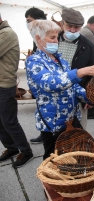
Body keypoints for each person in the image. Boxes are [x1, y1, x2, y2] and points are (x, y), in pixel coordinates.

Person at [26, 20, 94, 159]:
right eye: (52, 37)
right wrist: (80, 72)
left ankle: (75, 179)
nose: (56, 41)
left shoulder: (60, 60)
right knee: (53, 158)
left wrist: (90, 96)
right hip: (52, 122)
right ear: (38, 38)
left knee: (77, 152)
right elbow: (50, 83)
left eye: (57, 37)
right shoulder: (34, 61)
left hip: (71, 118)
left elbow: (72, 86)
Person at [0, 13, 33, 168]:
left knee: (9, 121)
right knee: (1, 121)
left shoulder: (7, 33)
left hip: (5, 85)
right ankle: (11, 148)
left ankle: (26, 151)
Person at [58, 8, 94, 129]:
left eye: (76, 28)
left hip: (78, 95)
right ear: (62, 23)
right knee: (56, 131)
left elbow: (93, 74)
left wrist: (90, 99)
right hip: (56, 94)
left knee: (78, 132)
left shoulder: (88, 46)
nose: (72, 30)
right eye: (69, 26)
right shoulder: (53, 40)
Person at [25, 7, 47, 144]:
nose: (27, 23)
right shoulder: (35, 33)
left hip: (46, 76)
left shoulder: (45, 32)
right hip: (39, 76)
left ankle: (47, 135)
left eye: (29, 20)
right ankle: (44, 134)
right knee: (41, 107)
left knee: (45, 107)